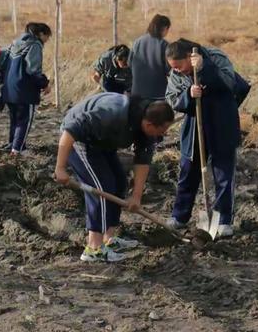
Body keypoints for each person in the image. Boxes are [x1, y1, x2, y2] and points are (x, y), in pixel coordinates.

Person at [54, 93, 174, 262]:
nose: (162, 135)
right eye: (161, 130)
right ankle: (93, 249)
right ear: (149, 124)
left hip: (103, 142)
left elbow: (143, 161)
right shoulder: (112, 114)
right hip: (79, 140)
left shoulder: (145, 128)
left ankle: (108, 239)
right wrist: (60, 168)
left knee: (118, 183)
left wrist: (136, 197)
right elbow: (70, 131)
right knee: (101, 189)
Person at [165, 39, 241, 238]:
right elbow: (172, 99)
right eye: (173, 68)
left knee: (223, 173)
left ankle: (223, 219)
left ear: (189, 59)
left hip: (222, 121)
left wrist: (205, 70)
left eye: (179, 66)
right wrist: (189, 95)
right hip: (194, 125)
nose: (177, 71)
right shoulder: (176, 73)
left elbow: (229, 83)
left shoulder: (215, 57)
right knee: (188, 170)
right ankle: (180, 216)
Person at [2, 23, 51, 155]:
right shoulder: (34, 45)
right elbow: (33, 70)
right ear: (41, 34)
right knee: (24, 120)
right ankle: (18, 149)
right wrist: (44, 83)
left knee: (15, 119)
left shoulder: (14, 44)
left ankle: (12, 144)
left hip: (9, 88)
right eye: (47, 36)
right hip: (24, 89)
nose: (47, 39)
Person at [129, 14, 171, 100]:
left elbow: (130, 63)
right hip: (157, 93)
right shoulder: (164, 45)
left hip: (137, 92)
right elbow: (169, 68)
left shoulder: (137, 42)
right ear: (164, 28)